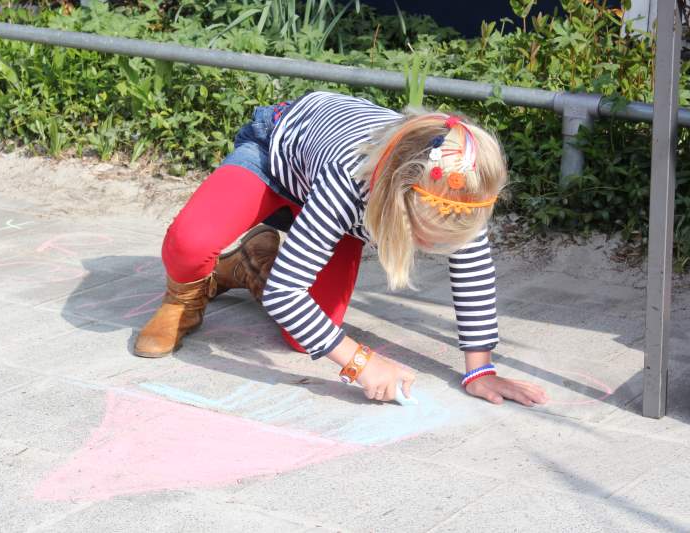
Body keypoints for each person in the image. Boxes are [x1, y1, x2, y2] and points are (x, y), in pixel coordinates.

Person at [134, 90, 547, 407]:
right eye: (426, 237)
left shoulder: (458, 187)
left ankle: (244, 266)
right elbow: (285, 294)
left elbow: (473, 271)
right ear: (396, 198)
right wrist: (361, 364)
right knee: (191, 242)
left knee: (305, 338)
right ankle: (184, 299)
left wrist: (481, 371)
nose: (435, 248)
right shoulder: (348, 180)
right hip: (273, 157)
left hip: (332, 200)